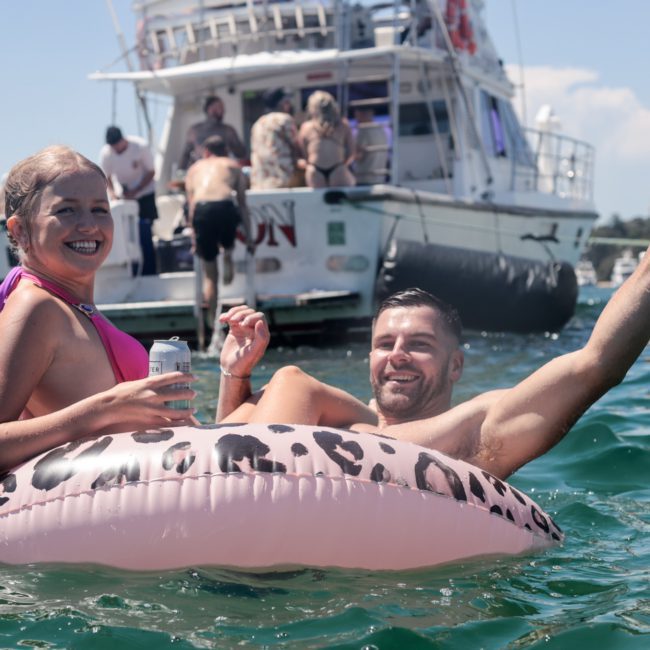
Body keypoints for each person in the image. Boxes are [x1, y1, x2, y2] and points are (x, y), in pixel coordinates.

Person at [216, 268, 650, 481]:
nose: (398, 356)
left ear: (456, 364)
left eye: (419, 345)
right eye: (385, 345)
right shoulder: (314, 409)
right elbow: (196, 467)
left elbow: (594, 365)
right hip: (236, 548)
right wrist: (234, 378)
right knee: (289, 381)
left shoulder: (469, 431)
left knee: (293, 381)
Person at [0, 145, 196, 474]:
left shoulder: (76, 307)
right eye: (66, 211)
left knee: (283, 387)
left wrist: (235, 374)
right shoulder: (36, 307)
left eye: (100, 209)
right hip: (128, 495)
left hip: (169, 479)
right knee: (295, 386)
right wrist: (105, 408)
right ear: (20, 230)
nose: (89, 225)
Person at [184, 135, 254, 327]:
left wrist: (193, 240)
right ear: (225, 151)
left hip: (203, 210)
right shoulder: (232, 165)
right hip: (225, 207)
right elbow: (242, 204)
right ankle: (228, 253)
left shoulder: (194, 169)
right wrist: (250, 238)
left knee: (210, 275)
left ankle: (214, 322)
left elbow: (191, 208)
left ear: (206, 152)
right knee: (227, 239)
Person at [99, 126, 159, 275]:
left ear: (123, 140)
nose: (115, 149)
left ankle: (150, 270)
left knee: (145, 230)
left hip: (145, 194)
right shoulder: (107, 153)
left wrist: (137, 190)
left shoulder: (140, 146)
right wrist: (112, 194)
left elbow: (151, 172)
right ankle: (132, 270)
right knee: (127, 235)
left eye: (117, 145)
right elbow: (107, 176)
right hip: (125, 198)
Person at [298, 90, 356, 188]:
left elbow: (303, 154)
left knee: (317, 202)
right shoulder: (343, 125)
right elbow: (351, 154)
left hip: (314, 170)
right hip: (338, 168)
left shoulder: (306, 127)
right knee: (342, 200)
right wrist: (341, 164)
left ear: (312, 108)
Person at [250, 88, 302, 190]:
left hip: (259, 182)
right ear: (281, 104)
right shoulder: (284, 119)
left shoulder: (258, 123)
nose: (289, 105)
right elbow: (297, 146)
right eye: (287, 102)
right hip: (282, 179)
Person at [179, 95, 246, 171]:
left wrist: (232, 146)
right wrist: (180, 172)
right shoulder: (194, 130)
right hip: (199, 171)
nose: (223, 111)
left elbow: (241, 153)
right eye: (220, 107)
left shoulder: (228, 130)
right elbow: (186, 155)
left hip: (221, 171)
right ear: (210, 109)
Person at [353, 107, 389, 185]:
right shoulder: (381, 129)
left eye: (356, 115)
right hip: (380, 179)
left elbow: (358, 156)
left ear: (361, 114)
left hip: (364, 180)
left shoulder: (363, 129)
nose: (356, 119)